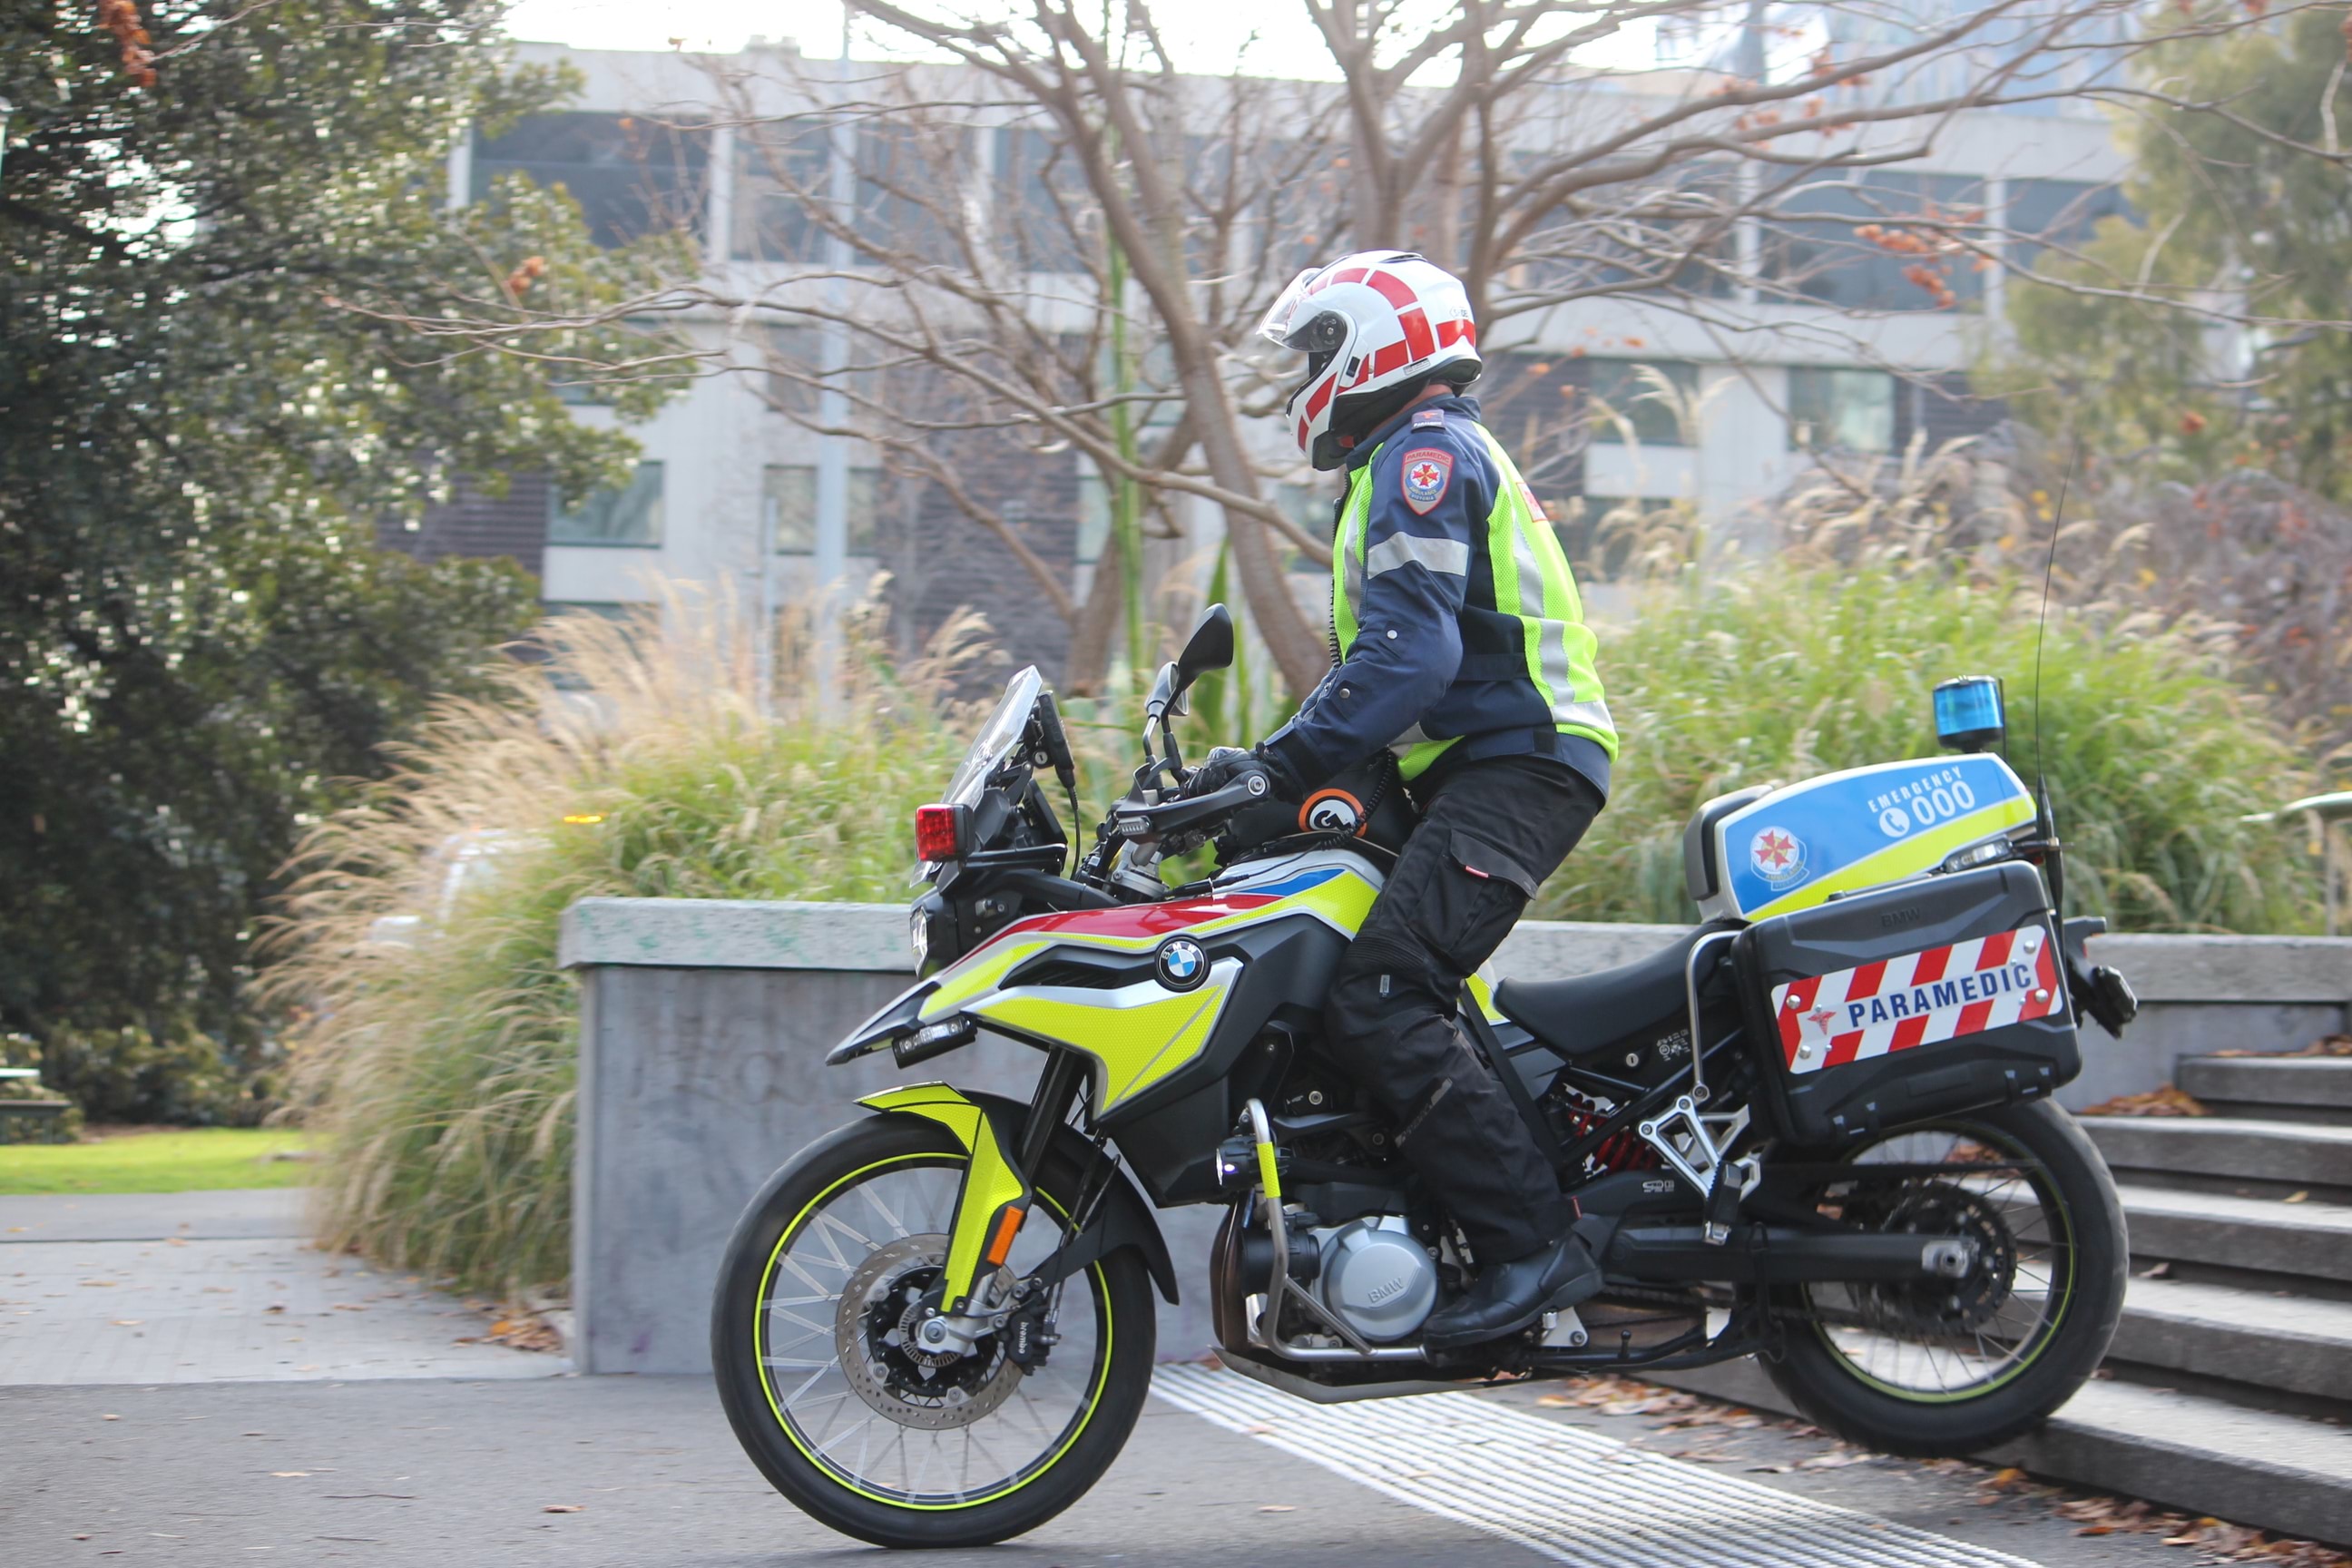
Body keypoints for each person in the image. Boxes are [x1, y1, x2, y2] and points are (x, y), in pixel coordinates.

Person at [1186, 250, 1619, 1352]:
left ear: (1376, 348)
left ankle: (1533, 1247)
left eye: (1318, 351)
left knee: (1383, 987)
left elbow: (1405, 662)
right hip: (1481, 762)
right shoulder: (1410, 457)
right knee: (1355, 965)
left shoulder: (1422, 457)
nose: (1306, 378)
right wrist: (1249, 797)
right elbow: (1399, 679)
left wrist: (1281, 763)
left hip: (1523, 763)